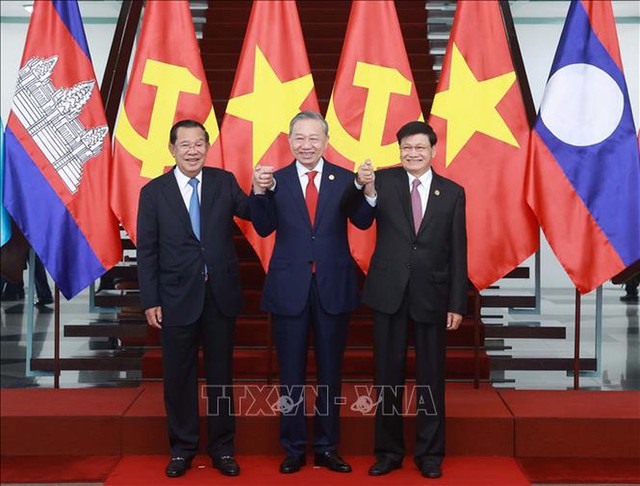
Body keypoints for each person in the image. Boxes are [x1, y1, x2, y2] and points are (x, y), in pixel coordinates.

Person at [250, 111, 371, 474]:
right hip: (290, 288)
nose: (307, 145)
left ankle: (327, 446)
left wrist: (369, 190)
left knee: (331, 372)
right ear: (289, 141)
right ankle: (292, 447)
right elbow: (264, 225)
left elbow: (363, 221)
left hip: (333, 286)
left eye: (314, 138)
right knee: (290, 373)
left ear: (326, 141)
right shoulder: (275, 180)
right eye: (300, 138)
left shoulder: (345, 179)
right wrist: (257, 191)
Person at [347, 121, 468, 479]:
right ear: (398, 150)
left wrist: (457, 303)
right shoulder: (382, 181)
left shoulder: (452, 191)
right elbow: (360, 219)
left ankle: (430, 454)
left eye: (419, 148)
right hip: (389, 293)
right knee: (387, 377)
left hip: (433, 294)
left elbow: (459, 251)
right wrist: (363, 188)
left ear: (433, 151)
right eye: (406, 148)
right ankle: (388, 452)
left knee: (432, 379)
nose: (412, 154)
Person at [137, 119, 250, 478]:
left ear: (207, 146)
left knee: (220, 376)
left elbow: (253, 214)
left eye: (199, 144)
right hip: (174, 298)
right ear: (171, 149)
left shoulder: (224, 182)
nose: (192, 151)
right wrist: (150, 299)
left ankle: (222, 449)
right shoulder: (154, 193)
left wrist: (265, 189)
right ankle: (182, 449)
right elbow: (148, 251)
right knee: (178, 377)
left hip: (219, 296)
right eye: (185, 145)